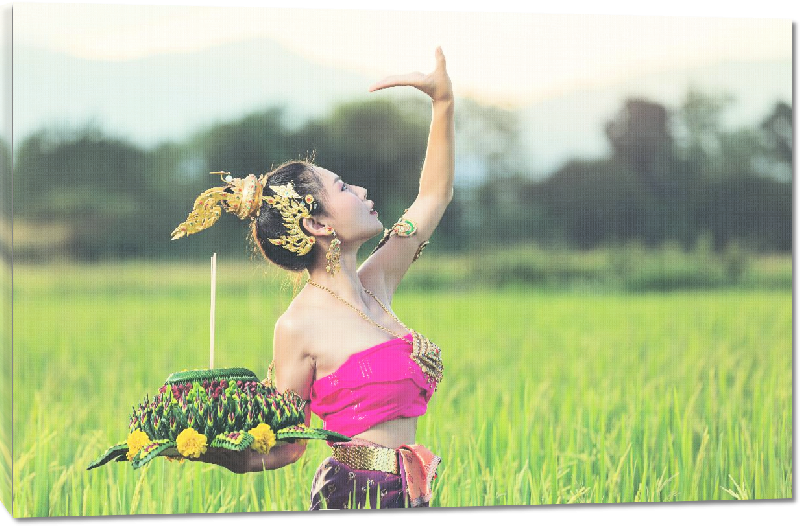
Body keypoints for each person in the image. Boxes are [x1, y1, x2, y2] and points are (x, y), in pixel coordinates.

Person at [172, 47, 454, 509]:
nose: (362, 191)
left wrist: (442, 103)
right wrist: (214, 451)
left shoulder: (376, 281)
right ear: (318, 225)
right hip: (352, 493)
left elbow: (433, 196)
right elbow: (288, 444)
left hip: (409, 492)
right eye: (343, 188)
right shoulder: (297, 326)